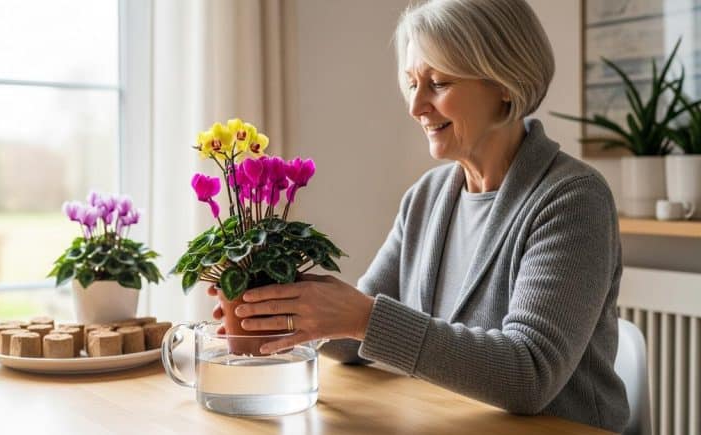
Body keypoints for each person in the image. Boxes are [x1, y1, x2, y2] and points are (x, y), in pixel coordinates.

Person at [208, 0, 629, 431]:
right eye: (412, 84)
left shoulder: (573, 200)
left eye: (439, 84)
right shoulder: (426, 198)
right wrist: (287, 309)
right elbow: (358, 340)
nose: (416, 106)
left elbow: (529, 374)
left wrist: (362, 317)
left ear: (506, 82)